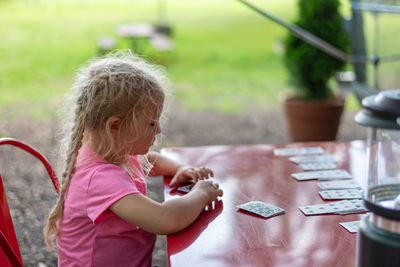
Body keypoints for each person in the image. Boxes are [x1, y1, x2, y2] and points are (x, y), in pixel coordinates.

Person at [44, 51, 223, 266]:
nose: (158, 130)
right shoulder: (99, 178)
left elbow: (151, 160)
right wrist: (201, 194)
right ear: (116, 127)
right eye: (151, 123)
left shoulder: (111, 151)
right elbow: (165, 220)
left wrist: (179, 168)